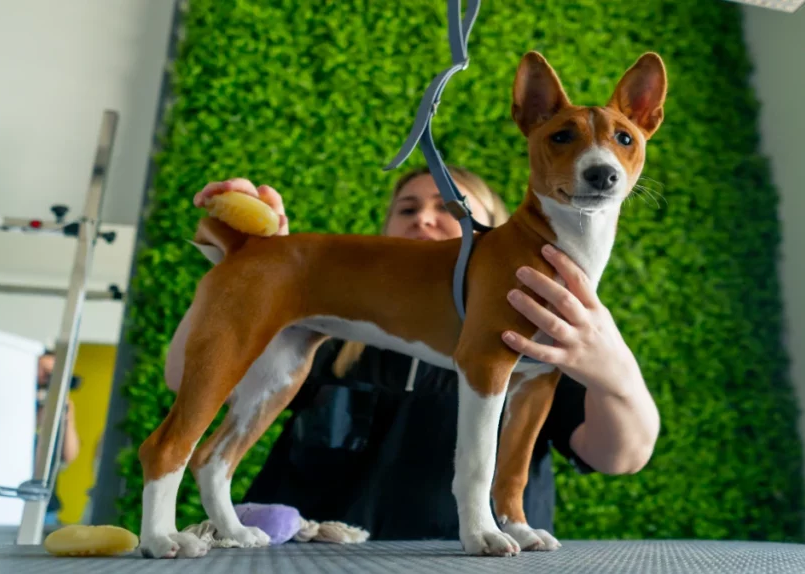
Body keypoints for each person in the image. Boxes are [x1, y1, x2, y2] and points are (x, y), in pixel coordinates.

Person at [164, 168, 660, 540]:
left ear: (496, 238)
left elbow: (622, 456)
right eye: (407, 209)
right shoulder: (330, 326)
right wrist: (252, 274)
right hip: (304, 555)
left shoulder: (555, 334)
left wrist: (614, 369)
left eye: (452, 208)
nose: (425, 216)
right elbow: (186, 376)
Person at [35, 350, 81, 527]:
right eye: (44, 371)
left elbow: (69, 455)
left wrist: (67, 413)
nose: (46, 379)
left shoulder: (59, 406)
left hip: (45, 506)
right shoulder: (18, 400)